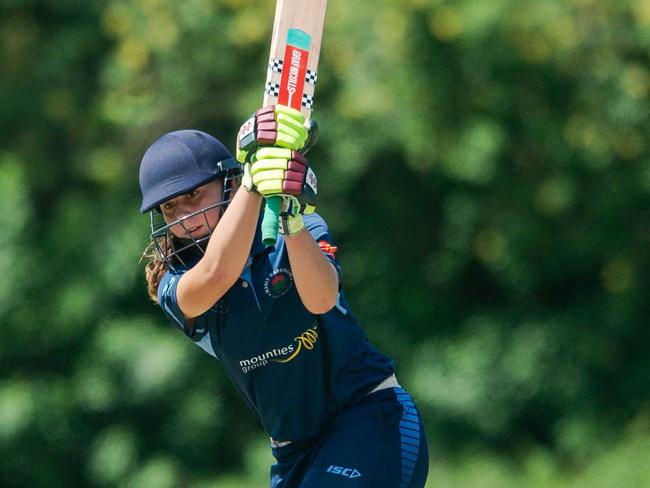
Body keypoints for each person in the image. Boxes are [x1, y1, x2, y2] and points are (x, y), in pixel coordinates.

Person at [138, 105, 429, 487]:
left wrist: (291, 223)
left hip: (370, 421)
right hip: (293, 454)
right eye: (170, 206)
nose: (186, 216)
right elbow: (218, 272)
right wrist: (254, 183)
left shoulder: (301, 224)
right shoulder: (174, 281)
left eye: (194, 194)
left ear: (226, 182)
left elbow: (322, 299)